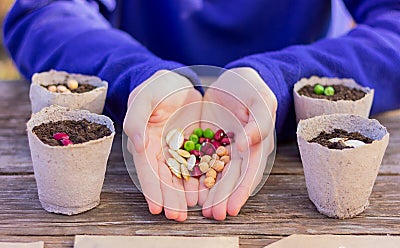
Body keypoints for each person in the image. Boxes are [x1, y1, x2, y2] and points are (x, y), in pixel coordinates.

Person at [3, 0, 400, 221]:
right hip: (137, 146)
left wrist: (277, 79)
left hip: (304, 155)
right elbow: (42, 12)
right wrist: (137, 75)